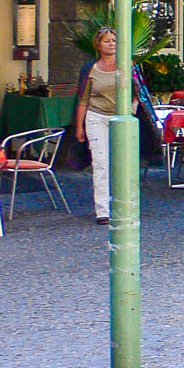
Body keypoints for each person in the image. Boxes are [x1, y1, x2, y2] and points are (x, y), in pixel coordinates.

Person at [73, 28, 120, 224]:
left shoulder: (128, 66)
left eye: (114, 40)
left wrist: (133, 109)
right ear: (98, 45)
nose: (111, 44)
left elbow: (138, 92)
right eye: (107, 41)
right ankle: (103, 210)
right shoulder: (90, 69)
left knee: (120, 163)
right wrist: (79, 127)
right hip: (96, 117)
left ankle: (122, 204)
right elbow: (83, 99)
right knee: (100, 162)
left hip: (120, 118)